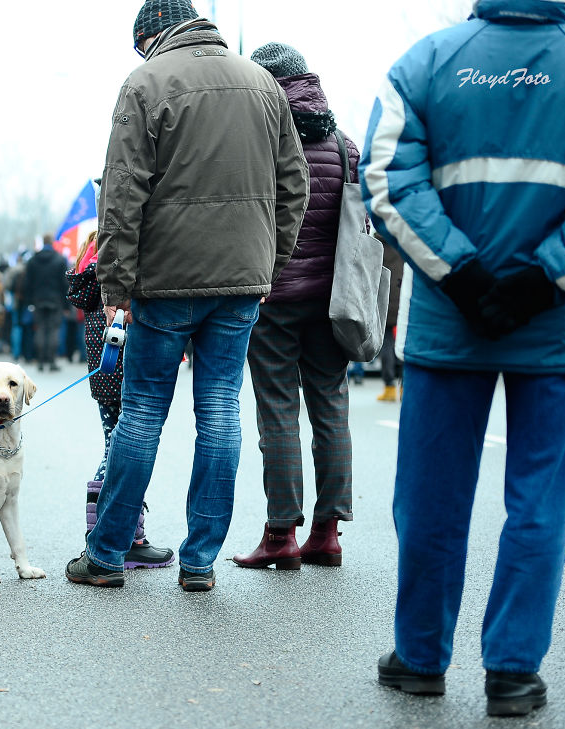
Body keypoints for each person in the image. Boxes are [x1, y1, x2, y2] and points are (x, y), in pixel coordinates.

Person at [360, 0, 565, 716]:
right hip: (559, 329)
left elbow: (387, 179)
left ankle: (420, 656)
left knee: (431, 497)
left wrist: (463, 276)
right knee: (543, 501)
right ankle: (513, 671)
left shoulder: (427, 60)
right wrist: (546, 276)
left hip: (451, 328)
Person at [65, 0, 309, 591]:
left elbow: (121, 193)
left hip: (165, 280)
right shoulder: (262, 83)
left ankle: (107, 554)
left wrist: (115, 285)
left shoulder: (145, 82)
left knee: (143, 411)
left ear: (151, 35)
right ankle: (200, 561)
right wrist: (268, 263)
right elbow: (293, 182)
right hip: (240, 281)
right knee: (221, 411)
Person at [233, 43, 356, 570]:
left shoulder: (260, 137)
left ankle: (281, 533)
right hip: (333, 299)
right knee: (331, 407)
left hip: (274, 295)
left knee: (278, 412)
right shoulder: (343, 143)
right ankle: (327, 533)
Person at [67, 230, 174, 569]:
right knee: (123, 447)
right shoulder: (120, 259)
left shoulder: (92, 257)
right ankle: (121, 538)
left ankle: (117, 535)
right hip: (122, 363)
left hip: (105, 366)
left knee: (114, 443)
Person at [24, 234, 68, 371]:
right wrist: (66, 304)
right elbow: (64, 284)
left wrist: (29, 301)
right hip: (55, 300)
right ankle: (52, 360)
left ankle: (41, 361)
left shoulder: (32, 260)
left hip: (38, 300)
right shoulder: (60, 259)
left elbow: (28, 283)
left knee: (41, 330)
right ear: (52, 243)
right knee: (54, 330)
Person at [375, 232, 404, 402]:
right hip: (402, 300)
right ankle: (404, 388)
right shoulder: (402, 241)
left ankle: (389, 386)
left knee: (386, 344)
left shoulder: (379, 245)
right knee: (404, 344)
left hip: (384, 301)